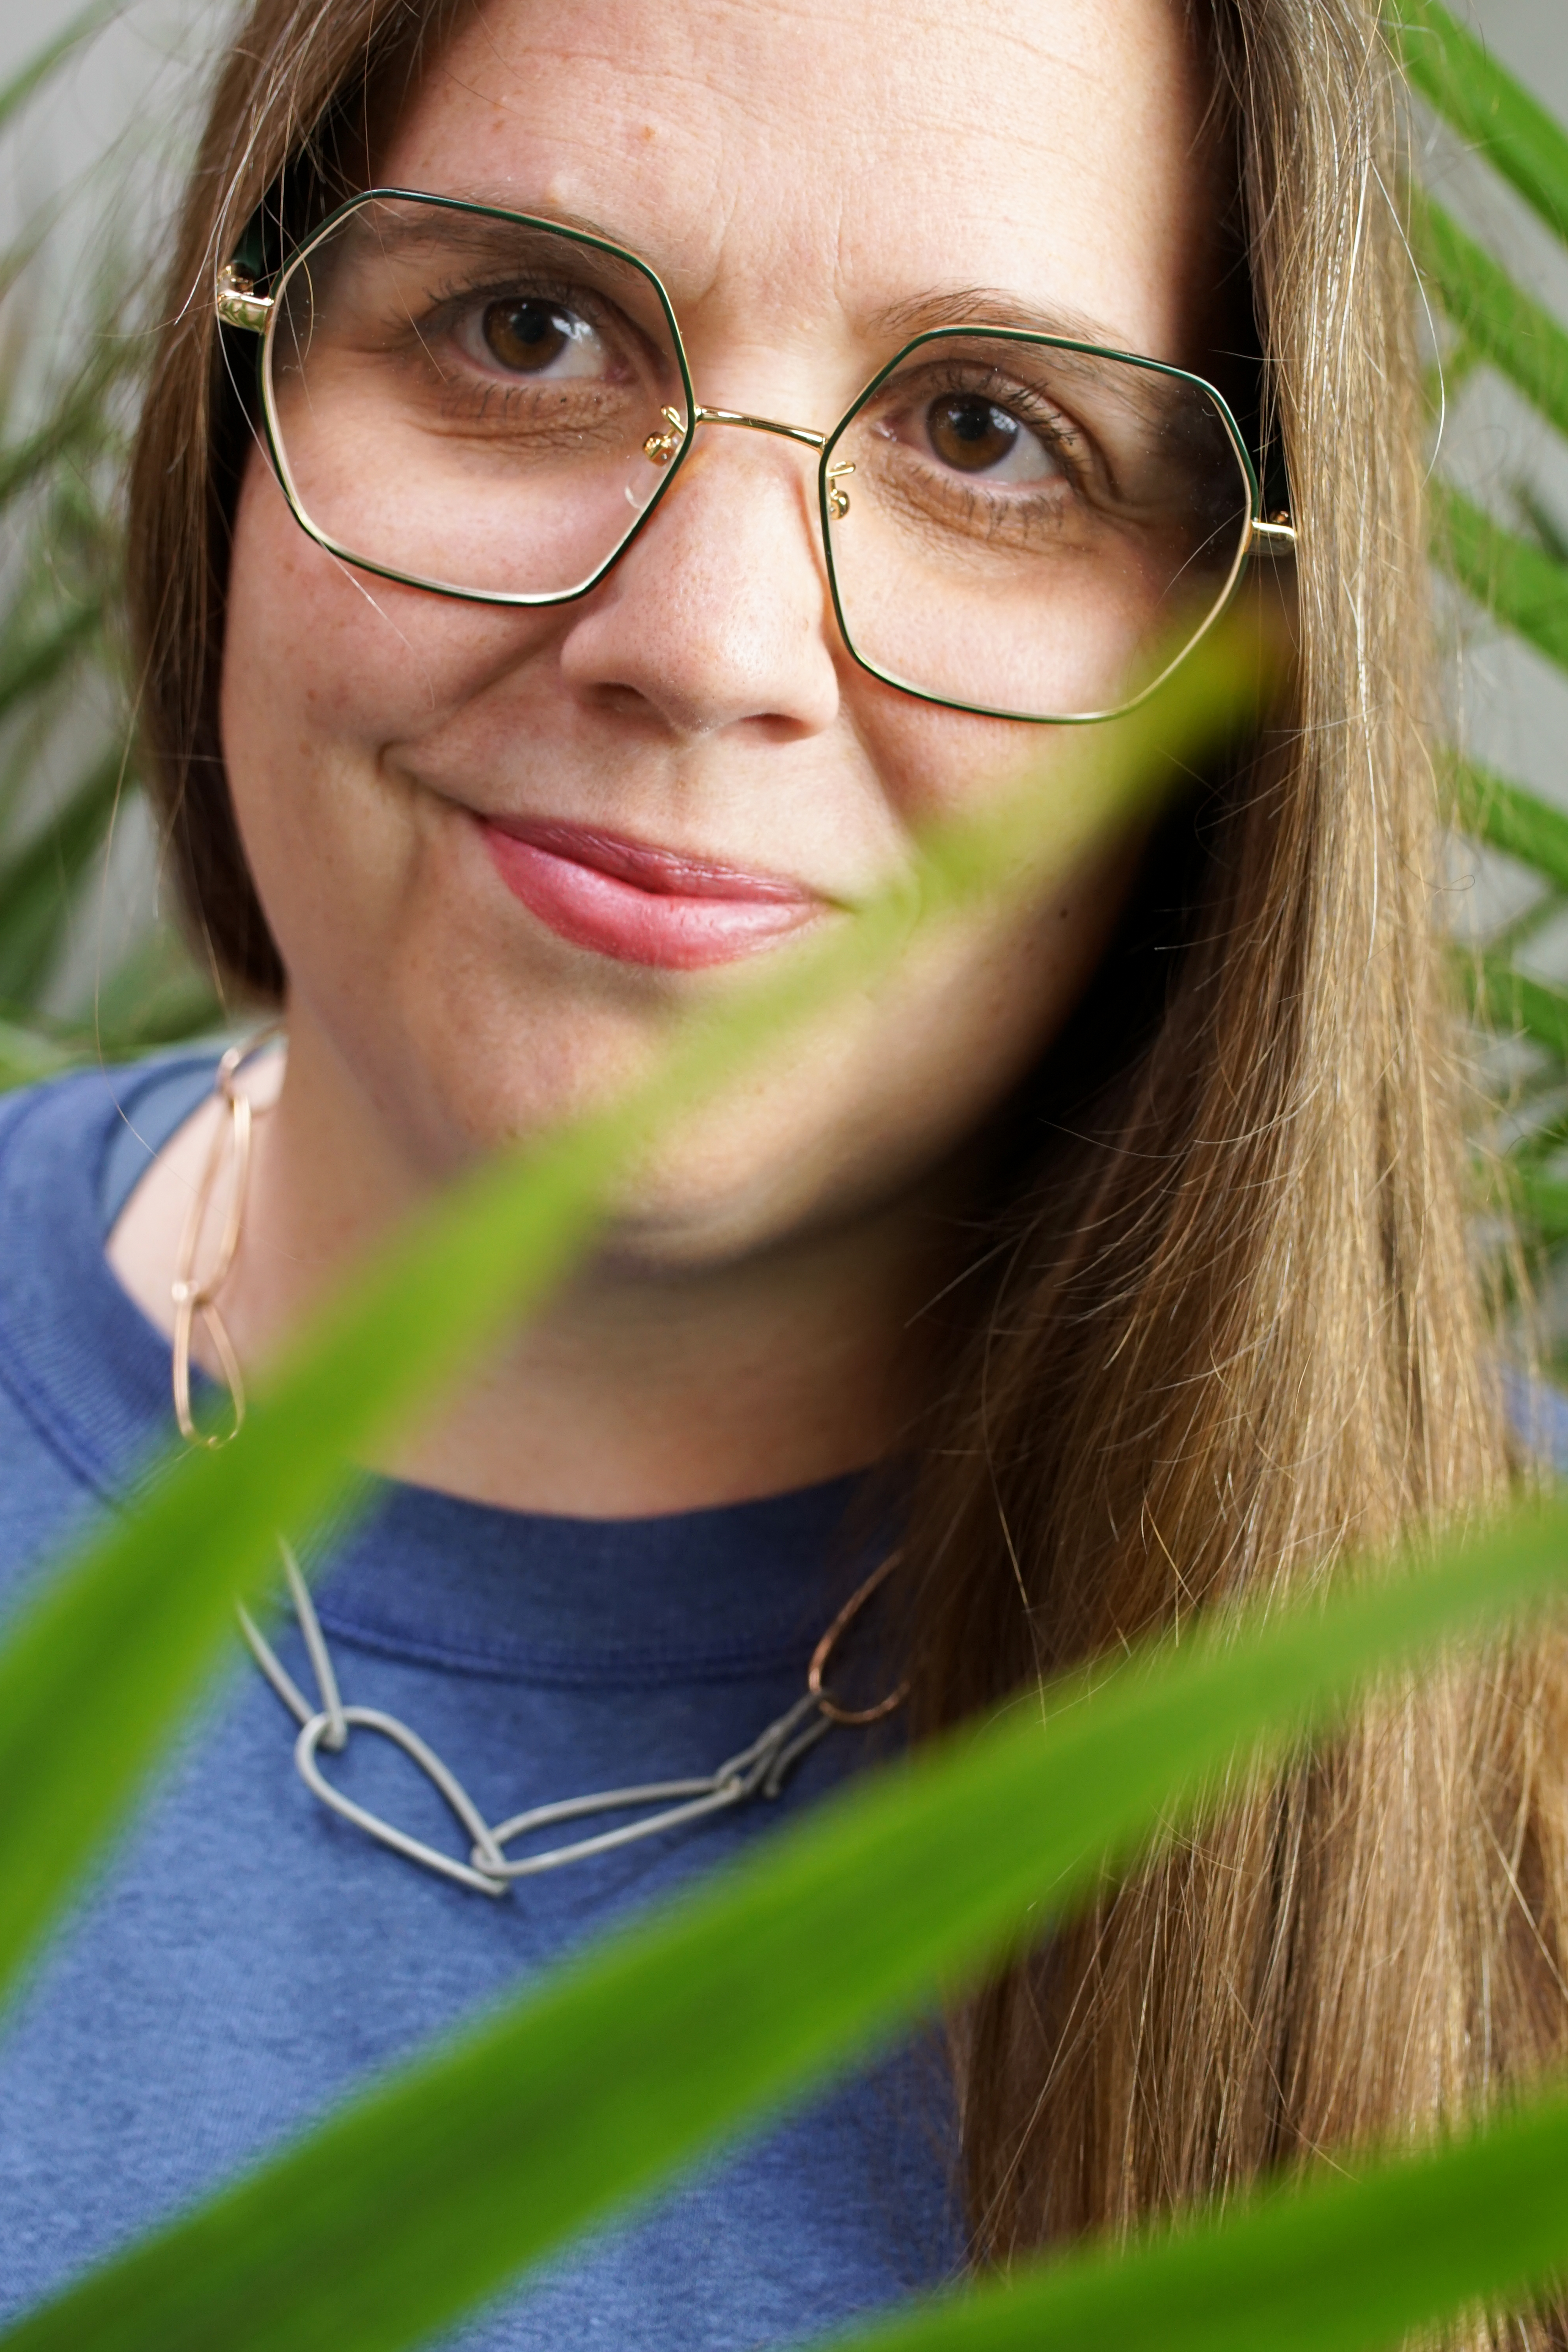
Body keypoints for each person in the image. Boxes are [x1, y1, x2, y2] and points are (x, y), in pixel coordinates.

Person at [0, 0, 1551, 2342]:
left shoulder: (1509, 1739)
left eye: (987, 437)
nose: (702, 641)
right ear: (250, 379)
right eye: (527, 327)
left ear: (1239, 625)